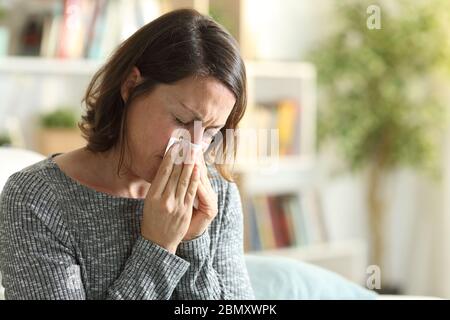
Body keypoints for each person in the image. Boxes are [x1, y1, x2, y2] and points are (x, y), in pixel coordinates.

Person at [0, 9, 254, 300]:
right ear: (131, 85)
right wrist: (158, 248)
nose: (193, 148)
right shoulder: (37, 199)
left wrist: (193, 242)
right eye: (182, 120)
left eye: (210, 131)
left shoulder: (217, 197)